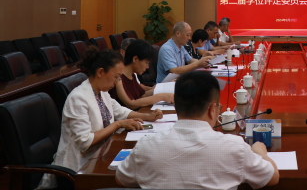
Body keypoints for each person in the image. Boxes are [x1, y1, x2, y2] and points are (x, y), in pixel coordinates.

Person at [116, 71, 279, 189]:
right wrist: (260, 152)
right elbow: (272, 177)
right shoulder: (235, 147)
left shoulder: (146, 146)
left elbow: (121, 178)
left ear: (176, 106)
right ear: (212, 109)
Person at [38, 48, 162, 188]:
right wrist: (117, 124)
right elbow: (85, 141)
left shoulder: (101, 92)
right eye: (116, 77)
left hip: (100, 154)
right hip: (79, 167)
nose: (117, 81)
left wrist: (147, 116)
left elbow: (120, 111)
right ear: (101, 72)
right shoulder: (78, 98)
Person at [111, 39, 175, 109]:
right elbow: (131, 104)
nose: (147, 67)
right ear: (135, 59)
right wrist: (161, 97)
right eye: (146, 62)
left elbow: (142, 97)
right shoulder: (118, 78)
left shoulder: (132, 75)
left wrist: (161, 88)